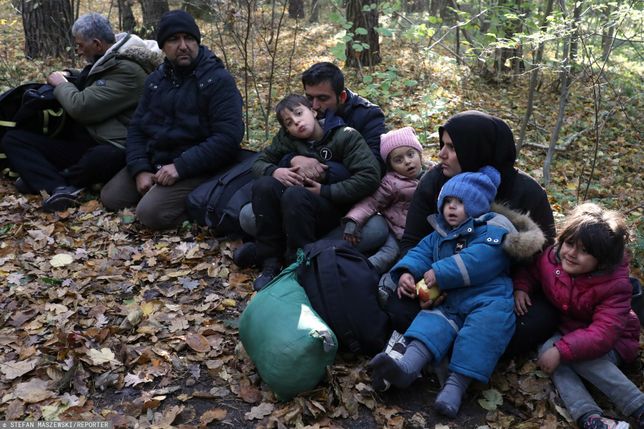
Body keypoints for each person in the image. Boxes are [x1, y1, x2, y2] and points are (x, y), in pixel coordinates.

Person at [369, 166, 545, 417]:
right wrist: (407, 272)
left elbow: (481, 259)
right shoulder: (440, 233)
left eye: (460, 202)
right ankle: (406, 367)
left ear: (475, 205)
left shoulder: (493, 229)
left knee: (481, 336)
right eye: (447, 201)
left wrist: (440, 272)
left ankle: (456, 386)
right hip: (450, 299)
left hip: (488, 299)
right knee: (429, 327)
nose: (451, 207)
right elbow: (421, 252)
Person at [385, 110, 557, 356]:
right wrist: (421, 280)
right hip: (441, 282)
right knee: (399, 305)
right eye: (442, 145)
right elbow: (413, 240)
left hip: (498, 295)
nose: (441, 154)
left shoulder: (527, 193)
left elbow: (543, 258)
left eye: (452, 148)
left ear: (477, 151)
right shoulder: (435, 182)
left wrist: (521, 287)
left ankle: (447, 345)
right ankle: (458, 345)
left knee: (536, 321)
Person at [1, 13, 161, 212]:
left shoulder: (129, 71)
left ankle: (52, 181)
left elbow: (82, 107)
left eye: (80, 45)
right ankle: (59, 186)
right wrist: (70, 74)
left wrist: (61, 84)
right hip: (90, 136)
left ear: (96, 43)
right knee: (14, 139)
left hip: (116, 144)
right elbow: (93, 77)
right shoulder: (110, 56)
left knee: (99, 158)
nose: (77, 51)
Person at [100, 10, 244, 230]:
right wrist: (140, 169)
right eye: (174, 40)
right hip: (158, 158)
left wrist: (180, 167)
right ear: (162, 46)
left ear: (197, 41)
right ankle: (162, 196)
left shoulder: (217, 80)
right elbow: (137, 127)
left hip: (199, 166)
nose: (183, 45)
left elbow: (228, 137)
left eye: (189, 38)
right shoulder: (156, 80)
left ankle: (199, 205)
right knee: (111, 197)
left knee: (149, 214)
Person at [514, 203, 643, 429]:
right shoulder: (552, 259)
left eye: (585, 251)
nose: (572, 254)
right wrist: (522, 287)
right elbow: (533, 271)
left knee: (575, 356)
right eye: (570, 243)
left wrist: (562, 349)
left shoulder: (615, 285)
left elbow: (604, 333)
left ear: (602, 260)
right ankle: (590, 417)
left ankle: (637, 405)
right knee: (550, 355)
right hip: (571, 332)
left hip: (615, 342)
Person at [236, 61, 389, 250]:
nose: (316, 105)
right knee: (248, 216)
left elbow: (374, 170)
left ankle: (311, 252)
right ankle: (302, 248)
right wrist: (292, 160)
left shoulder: (368, 116)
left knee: (375, 230)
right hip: (299, 199)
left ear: (341, 96)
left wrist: (323, 172)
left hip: (349, 204)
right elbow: (273, 153)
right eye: (310, 98)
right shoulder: (301, 118)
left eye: (323, 98)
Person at [248, 94, 380, 291]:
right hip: (295, 210)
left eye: (299, 114)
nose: (297, 123)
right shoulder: (287, 140)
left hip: (331, 208)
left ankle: (299, 264)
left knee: (295, 194)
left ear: (313, 110)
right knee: (264, 185)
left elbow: (370, 177)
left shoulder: (344, 135)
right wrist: (275, 170)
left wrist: (326, 191)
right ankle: (270, 262)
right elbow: (258, 163)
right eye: (289, 123)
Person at [343, 127, 425, 275]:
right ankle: (363, 274)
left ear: (419, 154)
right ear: (391, 166)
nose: (407, 162)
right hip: (396, 232)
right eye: (398, 160)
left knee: (416, 259)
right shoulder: (391, 183)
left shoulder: (432, 174)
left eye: (411, 154)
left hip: (422, 232)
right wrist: (353, 220)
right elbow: (371, 202)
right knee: (388, 254)